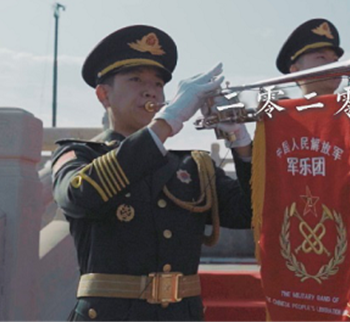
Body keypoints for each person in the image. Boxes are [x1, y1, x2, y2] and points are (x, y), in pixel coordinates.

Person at [51, 25, 254, 321]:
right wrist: (168, 121)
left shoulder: (193, 165)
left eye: (158, 84)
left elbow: (250, 213)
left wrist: (241, 141)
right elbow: (81, 196)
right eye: (135, 80)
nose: (150, 91)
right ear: (103, 94)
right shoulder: (79, 154)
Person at [275, 18, 350, 321]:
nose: (335, 65)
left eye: (336, 58)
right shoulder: (277, 124)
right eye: (321, 57)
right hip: (301, 245)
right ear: (295, 69)